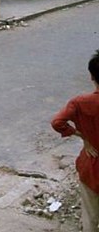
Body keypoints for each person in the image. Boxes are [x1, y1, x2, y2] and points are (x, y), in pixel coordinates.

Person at [51, 50, 99, 232]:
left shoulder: (80, 103)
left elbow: (57, 122)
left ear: (92, 76)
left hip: (92, 164)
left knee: (90, 215)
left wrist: (82, 135)